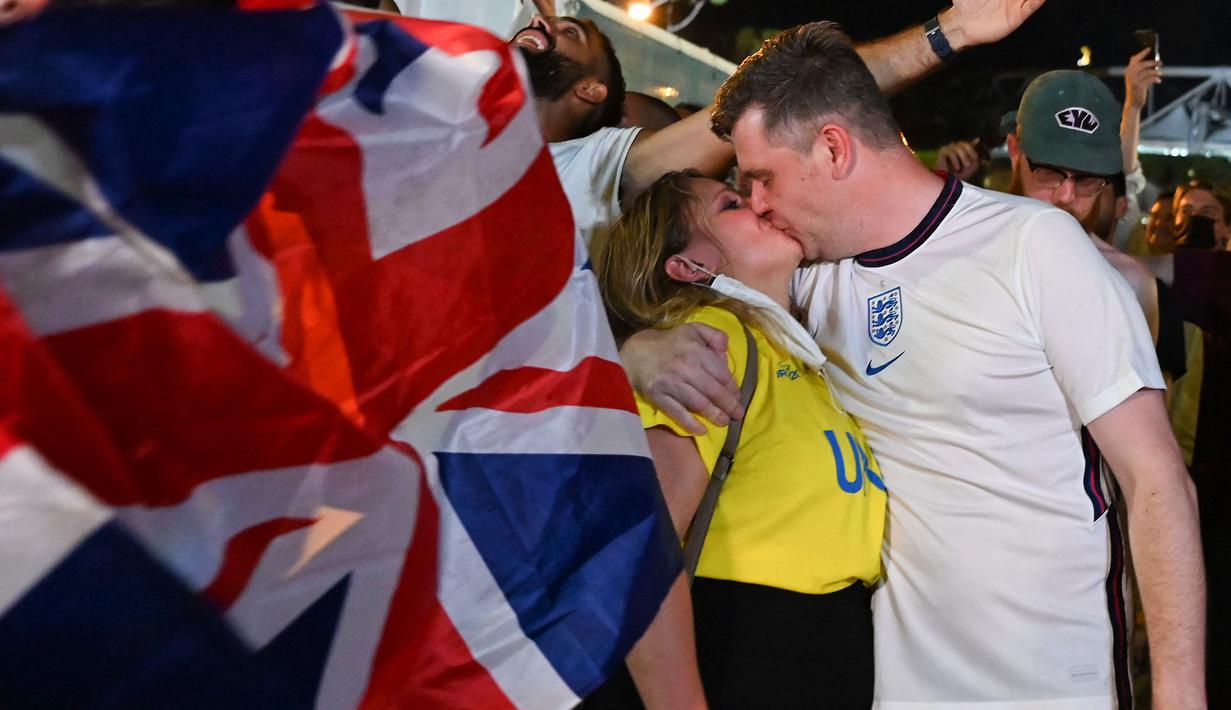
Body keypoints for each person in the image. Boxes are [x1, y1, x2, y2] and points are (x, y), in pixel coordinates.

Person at [622, 21, 1206, 708]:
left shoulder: (1032, 246)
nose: (755, 201)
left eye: (760, 177)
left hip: (1051, 685)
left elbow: (1156, 480)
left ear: (833, 148)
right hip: (897, 690)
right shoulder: (809, 287)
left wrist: (1177, 694)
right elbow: (636, 193)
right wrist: (636, 345)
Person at [592, 170, 886, 709]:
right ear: (690, 267)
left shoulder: (796, 354)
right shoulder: (707, 339)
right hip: (745, 645)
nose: (758, 204)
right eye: (732, 204)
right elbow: (637, 548)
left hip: (818, 648)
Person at [508, 2, 1050, 248]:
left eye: (568, 32)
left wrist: (950, 29)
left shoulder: (588, 169)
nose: (541, 21)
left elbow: (798, 92)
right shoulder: (435, 122)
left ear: (590, 92)